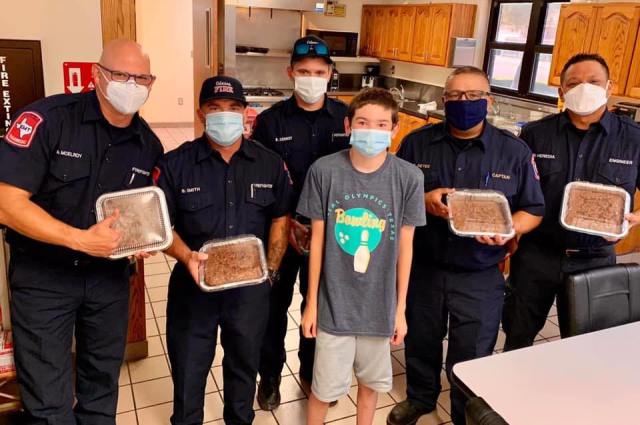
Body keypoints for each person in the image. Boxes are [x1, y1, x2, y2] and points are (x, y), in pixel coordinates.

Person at [0, 39, 162, 424]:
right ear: (96, 74)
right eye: (121, 74)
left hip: (108, 281)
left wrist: (141, 240)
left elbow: (141, 214)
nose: (131, 83)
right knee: (47, 396)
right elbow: (7, 201)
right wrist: (79, 239)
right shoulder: (48, 120)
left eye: (141, 77)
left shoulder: (148, 145)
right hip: (44, 277)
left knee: (101, 384)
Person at [387, 66, 545, 425]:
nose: (464, 102)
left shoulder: (514, 151)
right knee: (422, 340)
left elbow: (534, 208)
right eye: (456, 95)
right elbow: (393, 195)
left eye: (474, 95)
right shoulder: (416, 143)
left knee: (472, 350)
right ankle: (420, 397)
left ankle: (464, 412)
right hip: (424, 267)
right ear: (445, 100)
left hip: (480, 271)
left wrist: (509, 230)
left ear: (488, 102)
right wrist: (423, 200)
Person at [156, 76, 293, 425]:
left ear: (245, 112)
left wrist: (271, 272)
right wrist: (186, 255)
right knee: (188, 372)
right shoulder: (175, 164)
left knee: (244, 370)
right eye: (215, 108)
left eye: (233, 108)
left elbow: (280, 219)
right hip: (193, 288)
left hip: (249, 293)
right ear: (201, 113)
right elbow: (161, 227)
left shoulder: (270, 164)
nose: (224, 115)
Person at [297, 87, 425, 424]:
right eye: (364, 122)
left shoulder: (409, 178)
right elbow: (318, 242)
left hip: (379, 306)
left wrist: (400, 310)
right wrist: (311, 303)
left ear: (395, 130)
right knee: (323, 391)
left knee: (370, 387)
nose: (372, 129)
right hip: (333, 304)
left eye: (382, 124)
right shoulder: (324, 171)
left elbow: (405, 248)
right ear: (349, 125)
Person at [502, 53, 640, 351]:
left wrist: (636, 217)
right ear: (561, 91)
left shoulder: (634, 139)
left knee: (586, 345)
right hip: (536, 256)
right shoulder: (535, 134)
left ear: (609, 87)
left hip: (596, 259)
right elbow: (516, 191)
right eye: (574, 83)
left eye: (593, 81)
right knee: (518, 335)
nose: (584, 88)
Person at [251, 35, 350, 409]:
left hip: (332, 233)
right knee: (273, 307)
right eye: (304, 71)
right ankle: (271, 378)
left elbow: (359, 176)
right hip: (281, 231)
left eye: (319, 72)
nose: (311, 77)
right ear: (290, 72)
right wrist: (288, 222)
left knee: (320, 306)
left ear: (330, 74)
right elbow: (259, 182)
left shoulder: (347, 118)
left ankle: (311, 372)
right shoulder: (269, 122)